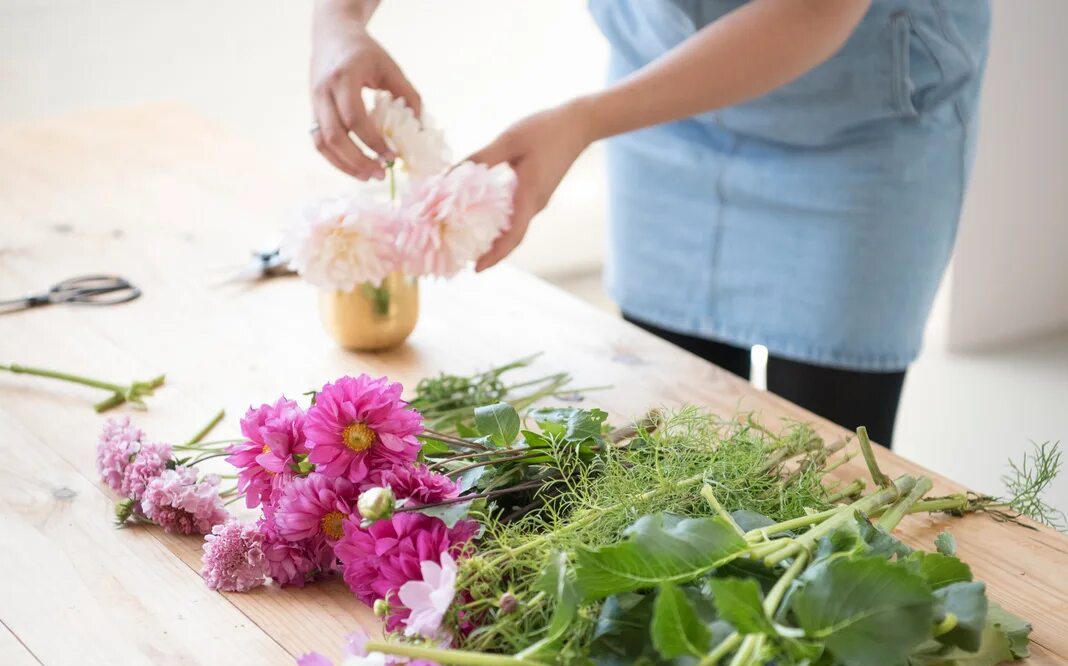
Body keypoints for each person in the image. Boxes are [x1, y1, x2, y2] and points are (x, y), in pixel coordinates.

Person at [308, 0, 990, 446]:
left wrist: (587, 120)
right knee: (672, 420)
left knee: (829, 457)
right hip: (660, 83)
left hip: (862, 105)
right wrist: (337, 19)